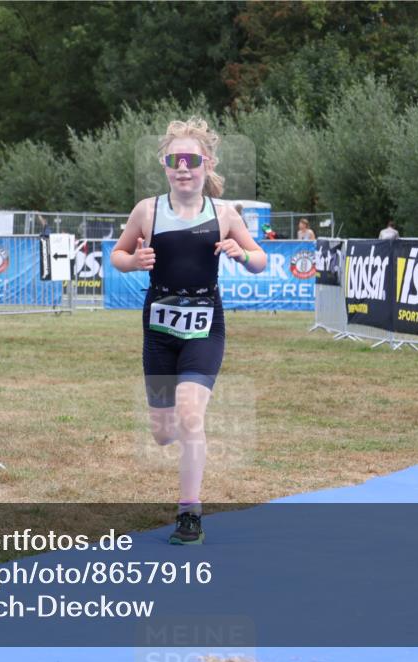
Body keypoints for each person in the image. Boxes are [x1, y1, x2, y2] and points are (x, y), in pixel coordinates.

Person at [110, 118, 266, 545]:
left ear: (207, 164)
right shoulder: (147, 210)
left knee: (191, 415)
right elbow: (118, 254)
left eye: (191, 160)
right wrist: (132, 262)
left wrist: (242, 253)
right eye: (174, 159)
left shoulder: (223, 213)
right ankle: (179, 433)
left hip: (205, 324)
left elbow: (260, 259)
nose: (183, 168)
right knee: (163, 432)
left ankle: (189, 513)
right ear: (164, 164)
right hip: (159, 326)